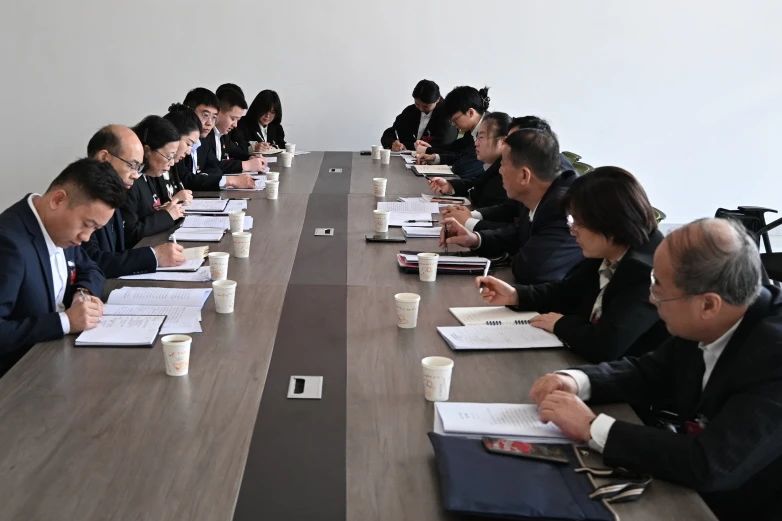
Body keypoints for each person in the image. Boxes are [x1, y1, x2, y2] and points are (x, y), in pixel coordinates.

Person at [529, 218, 782, 520]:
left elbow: (709, 463)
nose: (651, 297)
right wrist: (575, 380)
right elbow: (649, 372)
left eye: (659, 286)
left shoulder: (774, 356)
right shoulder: (715, 316)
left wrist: (591, 427)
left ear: (708, 305)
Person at [476, 167, 667, 362]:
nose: (572, 230)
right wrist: (516, 295)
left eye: (578, 222)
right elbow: (568, 292)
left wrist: (561, 324)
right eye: (571, 220)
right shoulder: (609, 248)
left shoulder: (649, 271)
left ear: (609, 222)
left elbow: (606, 345)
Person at [0, 158, 125, 375]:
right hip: (20, 377)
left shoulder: (59, 229)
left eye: (95, 229)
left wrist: (83, 294)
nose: (86, 237)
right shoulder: (9, 243)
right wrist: (65, 322)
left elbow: (91, 268)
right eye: (87, 224)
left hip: (58, 359)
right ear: (58, 200)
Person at [441, 128, 583, 285]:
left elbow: (531, 270)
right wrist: (475, 239)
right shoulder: (542, 191)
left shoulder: (564, 207)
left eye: (503, 164)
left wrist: (514, 253)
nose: (500, 171)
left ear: (524, 175)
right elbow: (518, 233)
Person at [84, 125, 185, 277]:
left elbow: (118, 250)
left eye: (139, 167)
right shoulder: (82, 197)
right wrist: (154, 256)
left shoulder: (113, 193)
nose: (136, 175)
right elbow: (92, 262)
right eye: (132, 165)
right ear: (104, 158)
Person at [441, 116, 567, 232]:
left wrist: (468, 222)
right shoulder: (517, 163)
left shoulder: (559, 202)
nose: (505, 144)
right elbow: (511, 207)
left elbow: (519, 233)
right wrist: (471, 215)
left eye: (511, 140)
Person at [122, 115, 186, 247]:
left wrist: (166, 210)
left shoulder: (149, 174)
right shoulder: (129, 181)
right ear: (147, 150)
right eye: (169, 156)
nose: (171, 163)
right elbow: (129, 233)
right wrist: (166, 216)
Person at [426, 111, 511, 209]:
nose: (476, 143)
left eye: (481, 137)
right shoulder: (493, 167)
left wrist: (471, 217)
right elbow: (476, 183)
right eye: (477, 137)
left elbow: (499, 210)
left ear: (502, 142)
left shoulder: (507, 176)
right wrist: (449, 186)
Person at [182, 87, 266, 177]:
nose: (235, 125)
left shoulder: (223, 135)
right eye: (233, 119)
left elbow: (232, 154)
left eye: (213, 117)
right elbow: (213, 167)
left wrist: (250, 158)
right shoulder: (202, 136)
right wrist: (245, 165)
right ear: (219, 111)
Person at [415, 86, 490, 180]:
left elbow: (463, 168)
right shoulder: (473, 129)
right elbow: (458, 151)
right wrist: (435, 157)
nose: (453, 124)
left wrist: (430, 151)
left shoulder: (490, 131)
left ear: (470, 113)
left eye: (455, 119)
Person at [380, 79, 457, 151]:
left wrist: (409, 146)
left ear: (438, 99)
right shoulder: (411, 110)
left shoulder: (448, 114)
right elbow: (391, 131)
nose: (420, 108)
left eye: (426, 106)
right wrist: (392, 143)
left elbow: (444, 144)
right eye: (417, 104)